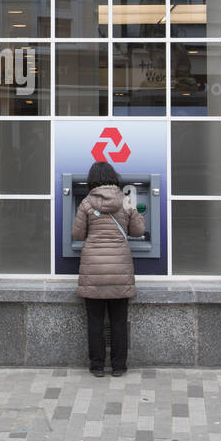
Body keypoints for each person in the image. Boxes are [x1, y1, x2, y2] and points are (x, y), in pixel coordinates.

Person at [72, 160, 145, 377]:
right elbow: (139, 229)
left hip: (93, 269)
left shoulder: (86, 203)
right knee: (118, 322)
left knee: (95, 322)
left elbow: (77, 235)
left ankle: (96, 367)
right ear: (114, 178)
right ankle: (119, 367)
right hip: (119, 268)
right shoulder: (125, 201)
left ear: (91, 180)